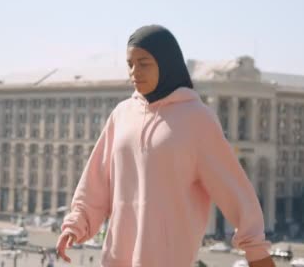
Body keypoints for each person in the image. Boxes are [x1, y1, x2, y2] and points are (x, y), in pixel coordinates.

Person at [56, 25, 275, 267]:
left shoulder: (197, 119)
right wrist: (75, 224)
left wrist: (257, 253)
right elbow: (95, 182)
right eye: (130, 64)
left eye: (144, 63)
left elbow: (233, 188)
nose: (134, 72)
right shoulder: (121, 115)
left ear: (166, 62)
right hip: (115, 260)